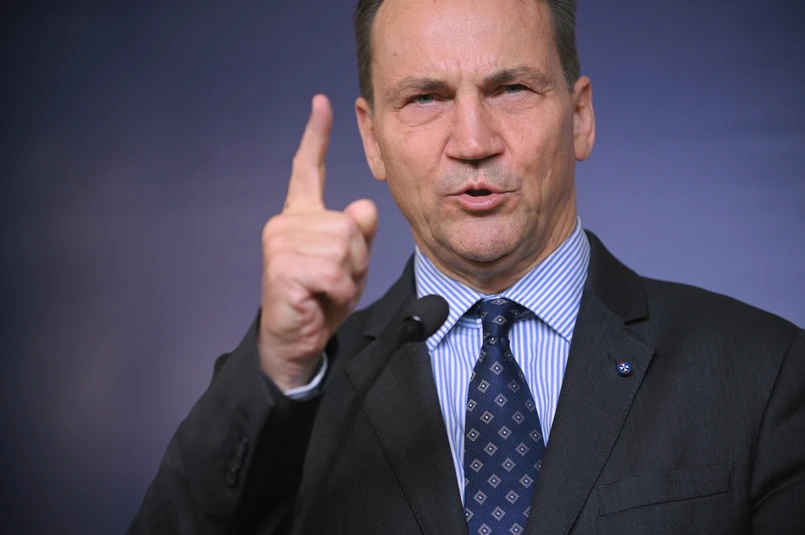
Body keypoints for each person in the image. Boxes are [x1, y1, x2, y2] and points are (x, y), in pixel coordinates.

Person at [128, 0, 804, 533]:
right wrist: (279, 366)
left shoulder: (764, 371)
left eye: (510, 88)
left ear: (579, 116)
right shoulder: (293, 394)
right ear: (372, 138)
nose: (473, 142)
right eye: (425, 98)